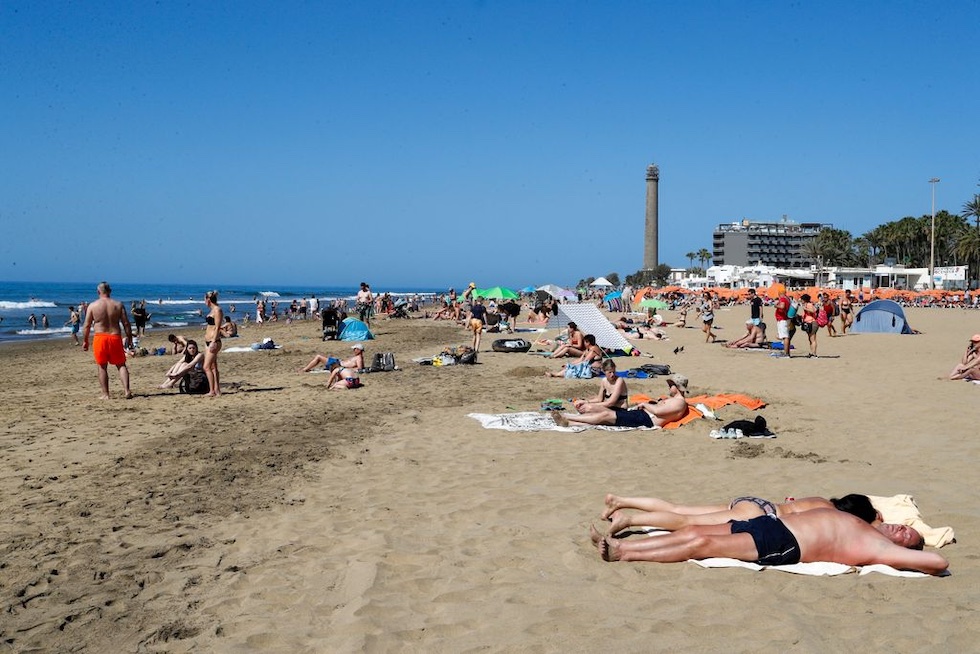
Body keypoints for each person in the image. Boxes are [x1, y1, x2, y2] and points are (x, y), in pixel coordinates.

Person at [590, 508, 948, 575]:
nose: (902, 530)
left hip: (786, 544)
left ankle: (624, 553)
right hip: (772, 524)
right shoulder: (871, 523)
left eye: (908, 536)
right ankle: (621, 546)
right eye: (904, 527)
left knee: (700, 543)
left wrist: (906, 553)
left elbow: (939, 563)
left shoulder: (880, 549)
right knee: (691, 532)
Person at [601, 493, 879, 535]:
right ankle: (629, 520)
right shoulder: (834, 516)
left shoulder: (823, 499)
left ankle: (620, 500)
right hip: (761, 513)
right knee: (687, 522)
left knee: (678, 509)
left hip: (756, 500)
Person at [552, 374, 689, 428]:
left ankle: (568, 417)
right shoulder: (674, 400)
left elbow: (658, 411)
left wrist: (645, 404)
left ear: (677, 387)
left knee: (606, 416)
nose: (669, 386)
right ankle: (569, 423)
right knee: (605, 418)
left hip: (645, 419)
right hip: (642, 416)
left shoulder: (680, 402)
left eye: (671, 384)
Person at [82, 281, 134, 399]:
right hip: (115, 336)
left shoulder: (93, 306)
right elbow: (126, 323)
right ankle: (127, 390)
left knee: (102, 366)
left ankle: (105, 394)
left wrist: (85, 341)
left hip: (100, 338)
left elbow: (87, 325)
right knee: (121, 365)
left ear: (98, 292)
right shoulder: (118, 305)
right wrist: (129, 338)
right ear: (110, 291)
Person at [203, 290, 224, 397]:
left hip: (213, 341)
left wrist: (213, 341)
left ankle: (212, 390)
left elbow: (217, 327)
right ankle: (217, 390)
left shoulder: (217, 310)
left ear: (208, 300)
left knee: (206, 367)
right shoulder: (212, 310)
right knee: (213, 367)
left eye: (204, 299)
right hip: (208, 341)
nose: (204, 302)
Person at [300, 343, 365, 373]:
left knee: (318, 357)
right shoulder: (358, 357)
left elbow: (359, 369)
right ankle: (306, 369)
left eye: (355, 349)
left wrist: (345, 369)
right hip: (338, 363)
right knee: (320, 357)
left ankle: (305, 369)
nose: (353, 350)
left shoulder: (359, 358)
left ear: (359, 350)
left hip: (338, 365)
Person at [774, 290, 792, 357]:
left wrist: (776, 305)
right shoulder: (787, 299)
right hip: (784, 319)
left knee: (785, 336)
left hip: (783, 319)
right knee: (784, 336)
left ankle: (786, 353)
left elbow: (782, 306)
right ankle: (786, 352)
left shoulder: (783, 299)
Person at [800, 293, 818, 357]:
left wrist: (805, 308)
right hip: (808, 323)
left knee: (813, 339)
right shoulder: (806, 305)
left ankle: (814, 354)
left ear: (804, 300)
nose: (801, 300)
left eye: (801, 299)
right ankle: (812, 352)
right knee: (810, 339)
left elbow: (813, 311)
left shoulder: (809, 304)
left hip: (812, 323)